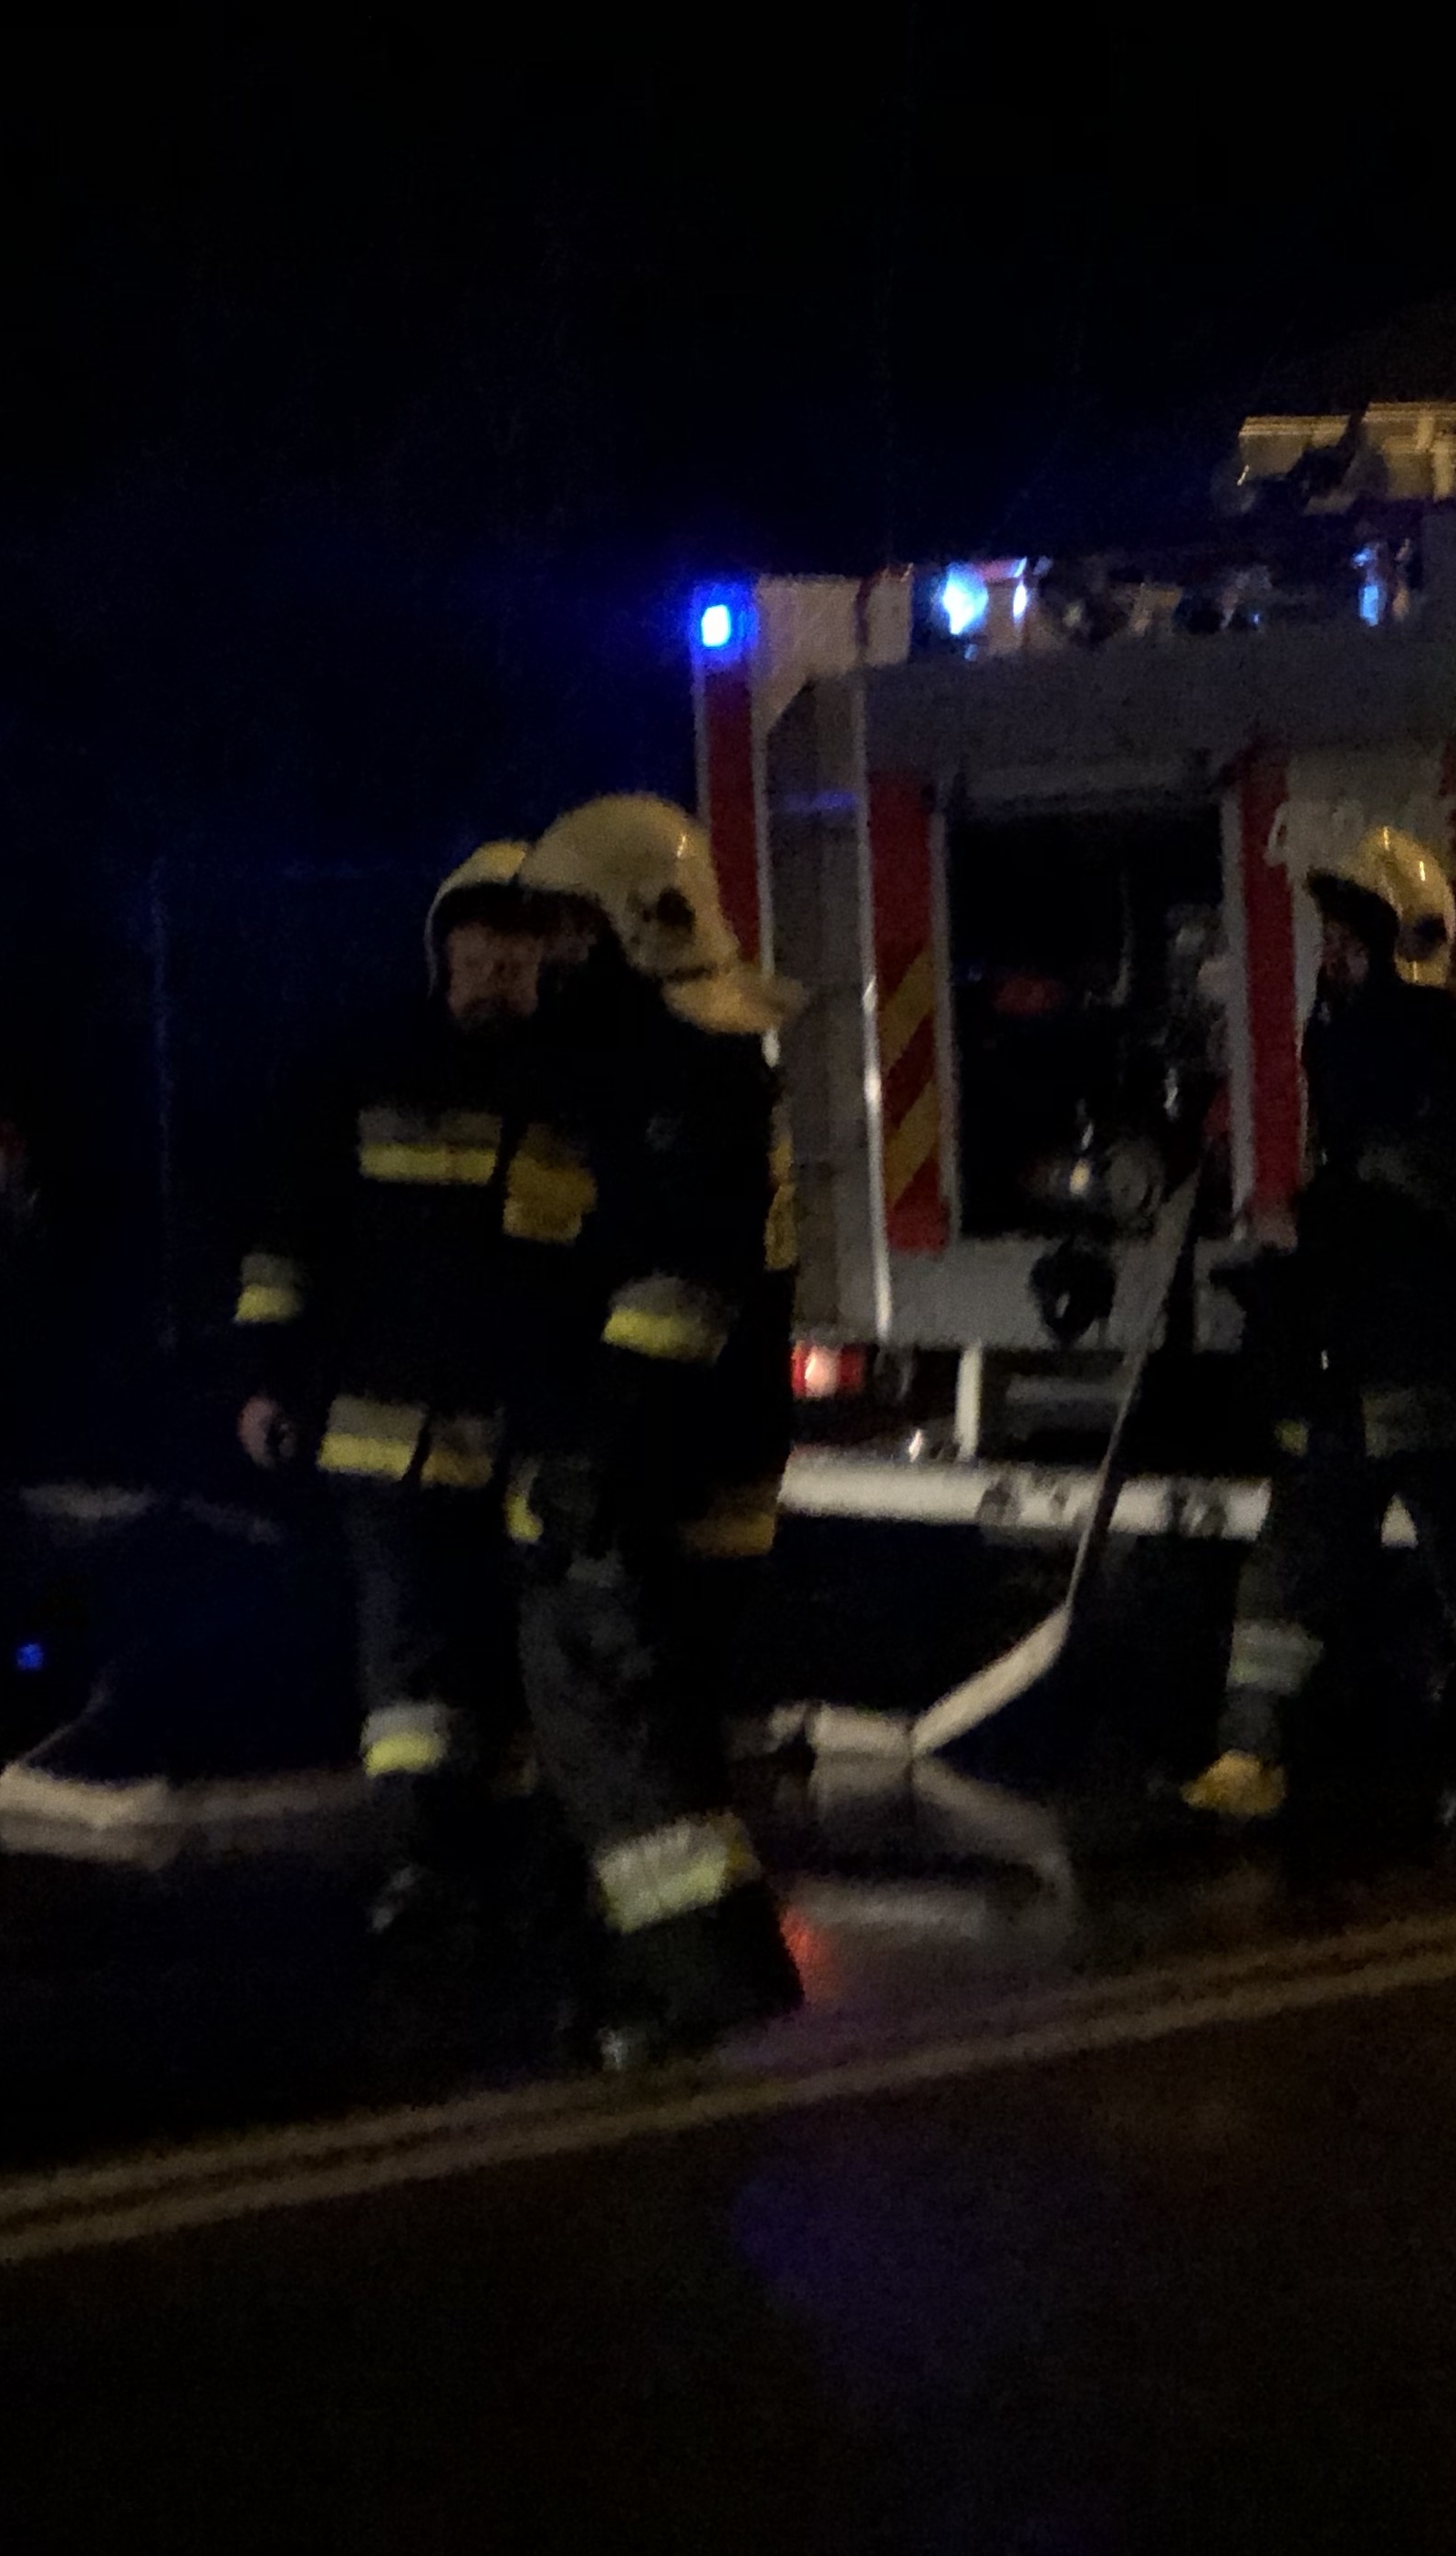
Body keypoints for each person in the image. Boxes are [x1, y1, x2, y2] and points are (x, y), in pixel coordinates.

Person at [1182, 825, 1456, 1826]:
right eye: (1331, 937)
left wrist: (1313, 1226)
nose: (1332, 956)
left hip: (1442, 1369)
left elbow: (1438, 1198)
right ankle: (1248, 1756)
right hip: (1361, 1362)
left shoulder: (1441, 1060)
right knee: (1297, 1561)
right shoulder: (1357, 1044)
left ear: (1401, 944)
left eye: (1348, 937)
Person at [504, 791, 805, 2064]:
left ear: (633, 925)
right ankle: (629, 1976)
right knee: (624, 1734)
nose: (550, 954)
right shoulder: (649, 1062)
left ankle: (712, 1972)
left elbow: (679, 1289)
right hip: (669, 1460)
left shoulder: (685, 1075)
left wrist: (604, 1457)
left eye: (569, 929)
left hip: (659, 1470)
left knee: (626, 1736)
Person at [233, 842, 568, 1933]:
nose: (492, 983)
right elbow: (286, 1240)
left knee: (514, 1652)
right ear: (441, 957)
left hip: (523, 1432)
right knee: (410, 1659)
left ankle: (505, 1860)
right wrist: (267, 1382)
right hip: (388, 1434)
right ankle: (422, 1860)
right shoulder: (365, 1065)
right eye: (476, 962)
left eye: (512, 964)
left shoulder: (575, 1086)